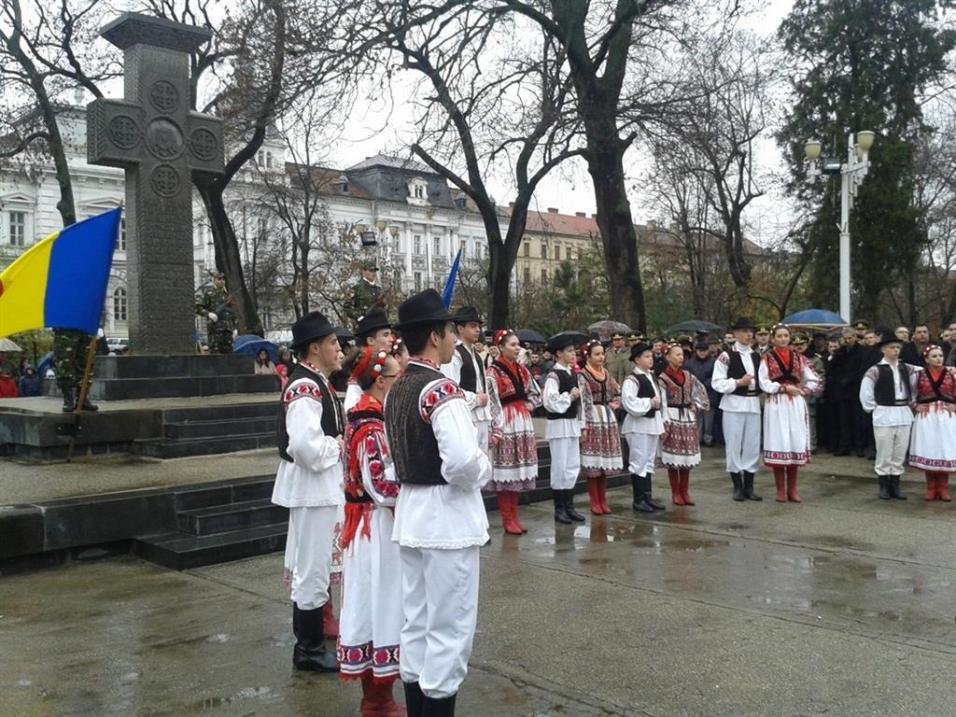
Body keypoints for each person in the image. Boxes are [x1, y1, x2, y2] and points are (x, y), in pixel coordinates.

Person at [383, 289, 492, 717]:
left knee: (418, 623)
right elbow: (463, 461)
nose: (453, 339)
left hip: (413, 516)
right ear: (434, 335)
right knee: (450, 629)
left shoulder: (398, 389)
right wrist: (483, 466)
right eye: (449, 331)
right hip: (446, 519)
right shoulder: (440, 391)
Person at [271, 311, 345, 673]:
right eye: (332, 343)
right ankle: (309, 649)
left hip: (319, 486)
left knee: (314, 566)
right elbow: (304, 446)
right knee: (312, 568)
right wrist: (338, 446)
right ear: (314, 348)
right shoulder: (305, 386)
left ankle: (310, 646)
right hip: (312, 485)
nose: (339, 349)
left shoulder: (316, 381)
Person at [337, 346, 405, 715]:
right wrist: (417, 486)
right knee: (378, 603)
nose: (401, 382)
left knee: (375, 602)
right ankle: (377, 701)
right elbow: (380, 487)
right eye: (397, 377)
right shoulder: (369, 427)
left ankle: (380, 697)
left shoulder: (368, 419)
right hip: (373, 528)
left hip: (367, 525)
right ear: (380, 381)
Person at [485, 330, 541, 535]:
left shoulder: (522, 369)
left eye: (518, 345)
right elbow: (491, 399)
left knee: (517, 472)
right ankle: (507, 518)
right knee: (506, 472)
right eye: (512, 345)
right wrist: (495, 424)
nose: (517, 348)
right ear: (500, 347)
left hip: (521, 420)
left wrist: (530, 405)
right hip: (505, 421)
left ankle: (515, 515)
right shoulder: (493, 371)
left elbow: (535, 392)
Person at [759, 325, 821, 503]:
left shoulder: (799, 358)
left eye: (786, 336)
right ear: (773, 339)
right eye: (779, 336)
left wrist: (805, 390)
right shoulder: (767, 358)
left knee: (794, 442)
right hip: (777, 402)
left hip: (794, 404)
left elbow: (815, 378)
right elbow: (763, 382)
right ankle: (780, 490)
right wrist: (783, 387)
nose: (783, 339)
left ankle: (792, 489)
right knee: (780, 442)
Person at [859, 330, 919, 501]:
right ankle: (884, 485)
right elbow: (866, 391)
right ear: (883, 349)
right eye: (892, 347)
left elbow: (924, 373)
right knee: (885, 451)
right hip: (884, 413)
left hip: (903, 413)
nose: (896, 350)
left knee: (900, 451)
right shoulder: (875, 370)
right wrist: (873, 408)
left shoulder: (906, 368)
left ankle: (895, 485)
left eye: (898, 347)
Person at [712, 317, 763, 502]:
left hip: (752, 403)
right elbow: (716, 382)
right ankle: (737, 486)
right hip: (733, 403)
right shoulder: (726, 356)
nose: (749, 335)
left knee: (752, 444)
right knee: (734, 444)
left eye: (751, 331)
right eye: (744, 331)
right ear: (735, 334)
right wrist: (737, 382)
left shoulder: (756, 356)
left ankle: (749, 485)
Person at [542, 332, 587, 524]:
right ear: (558, 353)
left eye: (574, 351)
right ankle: (559, 508)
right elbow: (550, 402)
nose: (573, 354)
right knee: (560, 466)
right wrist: (569, 397)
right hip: (559, 425)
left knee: (571, 466)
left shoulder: (573, 373)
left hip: (571, 424)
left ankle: (570, 506)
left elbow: (580, 405)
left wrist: (582, 425)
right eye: (569, 351)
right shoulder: (554, 375)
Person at [657, 343, 709, 505]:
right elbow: (662, 402)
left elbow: (700, 393)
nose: (681, 357)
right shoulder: (662, 378)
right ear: (668, 357)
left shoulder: (688, 375)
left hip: (687, 417)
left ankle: (685, 491)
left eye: (682, 355)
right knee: (674, 458)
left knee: (686, 458)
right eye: (677, 354)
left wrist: (696, 404)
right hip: (672, 417)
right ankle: (675, 492)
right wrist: (665, 422)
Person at [621, 341, 666, 513]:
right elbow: (629, 402)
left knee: (648, 461)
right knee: (638, 461)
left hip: (651, 424)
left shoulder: (651, 376)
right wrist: (649, 402)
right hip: (638, 426)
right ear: (637, 359)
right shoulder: (632, 380)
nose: (650, 359)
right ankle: (638, 499)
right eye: (646, 356)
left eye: (651, 356)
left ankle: (647, 496)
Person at [579, 339, 624, 514]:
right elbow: (582, 400)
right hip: (592, 417)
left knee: (604, 461)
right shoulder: (583, 375)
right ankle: (594, 501)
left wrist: (615, 403)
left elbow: (617, 390)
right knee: (594, 463)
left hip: (606, 417)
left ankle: (603, 499)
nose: (600, 357)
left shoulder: (606, 373)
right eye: (596, 354)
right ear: (588, 356)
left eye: (602, 354)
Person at [441, 307, 492, 459]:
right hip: (466, 415)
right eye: (472, 326)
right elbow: (450, 387)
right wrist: (476, 399)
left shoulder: (476, 355)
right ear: (460, 328)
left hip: (481, 416)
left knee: (483, 461)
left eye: (478, 326)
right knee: (470, 459)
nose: (477, 330)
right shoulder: (455, 353)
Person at [908, 345, 955, 501]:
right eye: (934, 356)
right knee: (929, 448)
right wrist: (915, 405)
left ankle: (943, 487)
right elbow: (911, 394)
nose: (938, 358)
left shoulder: (952, 373)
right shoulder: (919, 374)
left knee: (944, 449)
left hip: (946, 416)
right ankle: (931, 487)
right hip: (927, 416)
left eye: (940, 355)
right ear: (927, 359)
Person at [345, 308, 393, 412]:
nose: (391, 339)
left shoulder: (390, 364)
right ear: (370, 340)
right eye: (386, 335)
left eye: (390, 334)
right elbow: (351, 412)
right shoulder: (361, 374)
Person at [829, 327, 865, 456]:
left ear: (855, 337)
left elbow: (861, 369)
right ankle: (844, 446)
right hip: (842, 391)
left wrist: (850, 379)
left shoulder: (861, 351)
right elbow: (833, 367)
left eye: (850, 338)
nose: (848, 340)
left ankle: (859, 446)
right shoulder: (840, 352)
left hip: (855, 389)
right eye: (845, 338)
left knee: (857, 420)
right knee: (844, 421)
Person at [53, 329, 97, 412]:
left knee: (86, 363)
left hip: (86, 327)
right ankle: (68, 399)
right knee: (64, 363)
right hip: (66, 327)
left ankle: (82, 398)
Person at [792, 334, 823, 451]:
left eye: (802, 344)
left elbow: (820, 377)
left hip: (809, 393)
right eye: (796, 344)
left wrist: (816, 394)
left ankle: (811, 444)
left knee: (810, 419)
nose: (799, 347)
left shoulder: (815, 359)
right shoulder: (791, 358)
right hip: (794, 392)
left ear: (807, 344)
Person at [684, 341, 717, 447]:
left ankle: (708, 438)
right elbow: (686, 376)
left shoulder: (714, 362)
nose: (702, 353)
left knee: (709, 420)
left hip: (709, 393)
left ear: (708, 351)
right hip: (694, 394)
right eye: (700, 351)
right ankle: (697, 439)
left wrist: (703, 385)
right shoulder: (689, 363)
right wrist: (696, 385)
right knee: (697, 418)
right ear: (696, 351)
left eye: (704, 351)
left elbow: (716, 376)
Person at [195, 272, 237, 354]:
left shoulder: (227, 295)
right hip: (215, 331)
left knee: (229, 355)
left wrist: (235, 328)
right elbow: (198, 308)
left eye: (223, 279)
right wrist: (209, 314)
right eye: (219, 279)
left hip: (227, 330)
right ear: (214, 280)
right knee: (216, 355)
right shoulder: (209, 293)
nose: (222, 281)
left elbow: (232, 313)